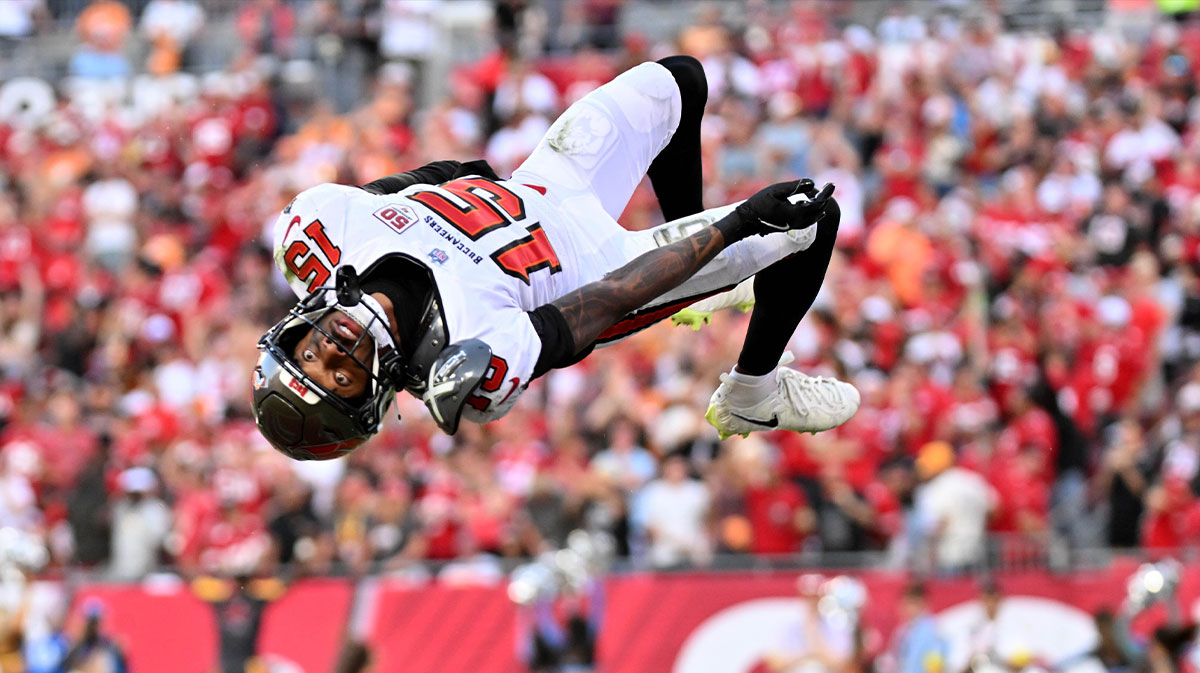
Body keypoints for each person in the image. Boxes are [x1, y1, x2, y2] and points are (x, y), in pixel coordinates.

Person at [251, 55, 859, 460]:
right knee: (810, 214)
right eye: (338, 377)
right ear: (372, 394)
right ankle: (753, 393)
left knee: (678, 81)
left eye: (308, 355)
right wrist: (734, 225)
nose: (330, 351)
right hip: (607, 263)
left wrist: (466, 178)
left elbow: (414, 184)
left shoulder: (315, 235)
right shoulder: (467, 364)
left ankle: (710, 283)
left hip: (542, 187)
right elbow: (613, 296)